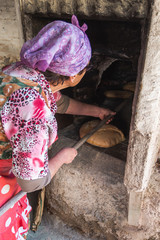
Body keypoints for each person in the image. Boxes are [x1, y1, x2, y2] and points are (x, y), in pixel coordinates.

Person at [0, 15, 115, 239]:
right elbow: (30, 183)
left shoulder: (20, 72)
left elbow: (59, 102)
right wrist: (62, 157)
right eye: (85, 68)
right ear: (73, 76)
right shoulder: (35, 112)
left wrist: (96, 111)